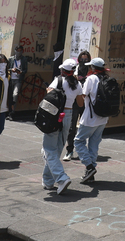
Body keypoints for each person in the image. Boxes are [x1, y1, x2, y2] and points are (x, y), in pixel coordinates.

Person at [41, 59, 84, 195]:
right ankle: (48, 181)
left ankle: (61, 178)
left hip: (55, 115)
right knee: (57, 149)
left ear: (63, 71)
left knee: (49, 149)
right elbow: (81, 104)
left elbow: (49, 97)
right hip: (68, 115)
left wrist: (49, 90)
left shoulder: (58, 81)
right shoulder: (77, 84)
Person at [75, 57, 110, 184]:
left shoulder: (91, 79)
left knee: (78, 142)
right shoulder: (107, 79)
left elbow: (83, 96)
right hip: (103, 118)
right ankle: (91, 172)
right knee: (94, 144)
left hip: (90, 117)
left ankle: (89, 167)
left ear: (94, 68)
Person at [64, 50, 91, 161]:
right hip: (75, 102)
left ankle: (82, 149)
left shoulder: (90, 72)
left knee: (85, 126)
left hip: (86, 102)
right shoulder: (75, 70)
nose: (83, 62)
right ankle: (69, 150)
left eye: (86, 60)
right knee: (72, 127)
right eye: (81, 59)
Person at [8, 44, 28, 114]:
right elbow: (7, 68)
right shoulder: (11, 59)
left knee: (15, 95)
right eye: (17, 50)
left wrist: (21, 72)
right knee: (9, 95)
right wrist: (11, 69)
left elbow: (25, 70)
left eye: (20, 51)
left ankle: (12, 112)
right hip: (10, 79)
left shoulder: (24, 59)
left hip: (18, 80)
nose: (18, 52)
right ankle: (7, 110)